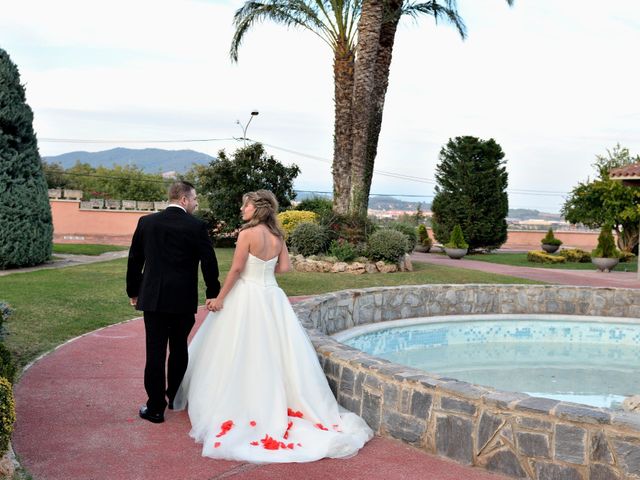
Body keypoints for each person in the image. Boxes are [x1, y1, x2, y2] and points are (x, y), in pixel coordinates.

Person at [173, 190, 372, 462]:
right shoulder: (278, 236)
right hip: (272, 296)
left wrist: (220, 298)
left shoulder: (247, 234)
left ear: (257, 209)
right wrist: (267, 266)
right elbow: (284, 268)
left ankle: (241, 401)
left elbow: (235, 270)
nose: (243, 209)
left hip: (247, 295)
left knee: (239, 349)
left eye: (246, 205)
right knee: (279, 351)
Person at [126, 181, 220, 424]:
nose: (197, 203)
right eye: (195, 199)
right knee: (179, 348)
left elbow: (135, 260)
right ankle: (174, 398)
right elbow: (209, 261)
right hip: (183, 298)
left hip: (153, 298)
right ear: (184, 200)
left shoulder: (147, 222)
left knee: (155, 351)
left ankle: (155, 408)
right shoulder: (197, 226)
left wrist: (133, 291)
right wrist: (213, 291)